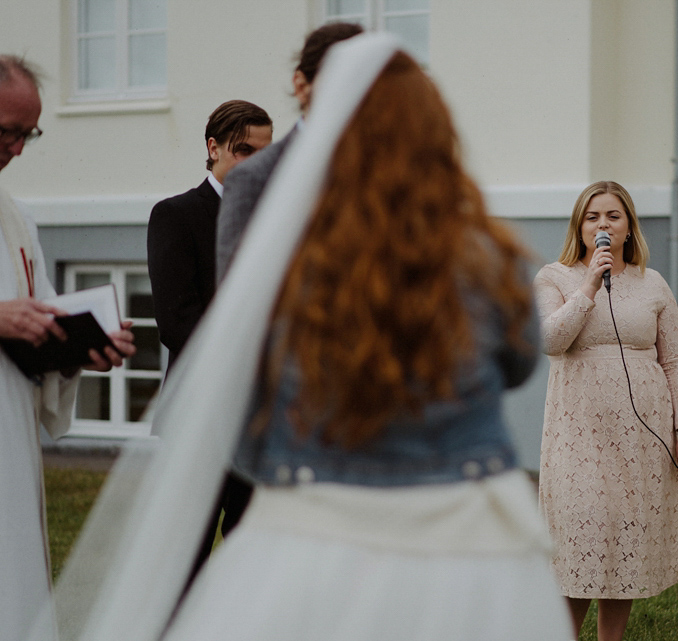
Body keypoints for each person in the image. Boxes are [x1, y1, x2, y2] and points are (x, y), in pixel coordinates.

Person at [45, 35, 570, 641]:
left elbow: (245, 408)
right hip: (467, 539)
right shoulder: (488, 252)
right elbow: (521, 364)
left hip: (318, 529)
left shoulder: (288, 268)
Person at [0, 54, 134, 641]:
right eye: (8, 130)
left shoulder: (15, 219)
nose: (18, 149)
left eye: (28, 134)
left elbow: (42, 312)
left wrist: (81, 345)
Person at [535, 180, 678, 641]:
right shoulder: (554, 277)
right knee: (580, 544)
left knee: (623, 542)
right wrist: (588, 284)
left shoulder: (653, 283)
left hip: (640, 436)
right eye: (592, 217)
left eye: (612, 216)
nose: (602, 224)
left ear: (628, 227)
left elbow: (675, 360)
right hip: (578, 434)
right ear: (579, 227)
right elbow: (550, 341)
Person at [147, 99, 272, 583]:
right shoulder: (176, 216)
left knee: (253, 557)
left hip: (263, 421)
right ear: (213, 147)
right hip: (200, 417)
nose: (254, 164)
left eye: (264, 153)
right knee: (185, 559)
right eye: (243, 150)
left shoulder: (279, 221)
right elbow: (176, 322)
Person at [216, 21, 362, 282]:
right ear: (301, 85)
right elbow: (240, 293)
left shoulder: (392, 167)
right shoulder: (254, 178)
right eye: (339, 81)